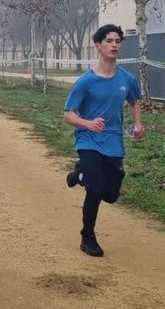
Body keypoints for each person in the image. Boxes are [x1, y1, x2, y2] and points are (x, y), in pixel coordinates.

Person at [63, 24, 144, 258]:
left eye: (118, 41)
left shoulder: (127, 79)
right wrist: (87, 124)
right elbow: (68, 114)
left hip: (113, 140)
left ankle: (79, 174)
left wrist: (138, 124)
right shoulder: (86, 81)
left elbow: (134, 101)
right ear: (98, 46)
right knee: (96, 189)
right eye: (109, 41)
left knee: (110, 194)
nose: (114, 45)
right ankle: (87, 237)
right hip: (88, 140)